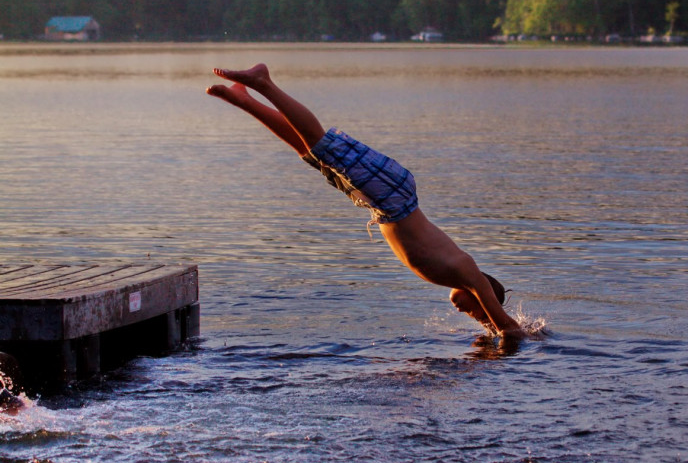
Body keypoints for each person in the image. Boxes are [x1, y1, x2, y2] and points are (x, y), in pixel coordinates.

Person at [206, 64, 526, 340]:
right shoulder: (468, 271)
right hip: (394, 197)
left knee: (314, 155)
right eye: (476, 314)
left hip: (380, 205)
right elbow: (508, 328)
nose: (469, 315)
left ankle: (244, 99)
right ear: (483, 297)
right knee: (322, 144)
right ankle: (264, 84)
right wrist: (497, 327)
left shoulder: (453, 276)